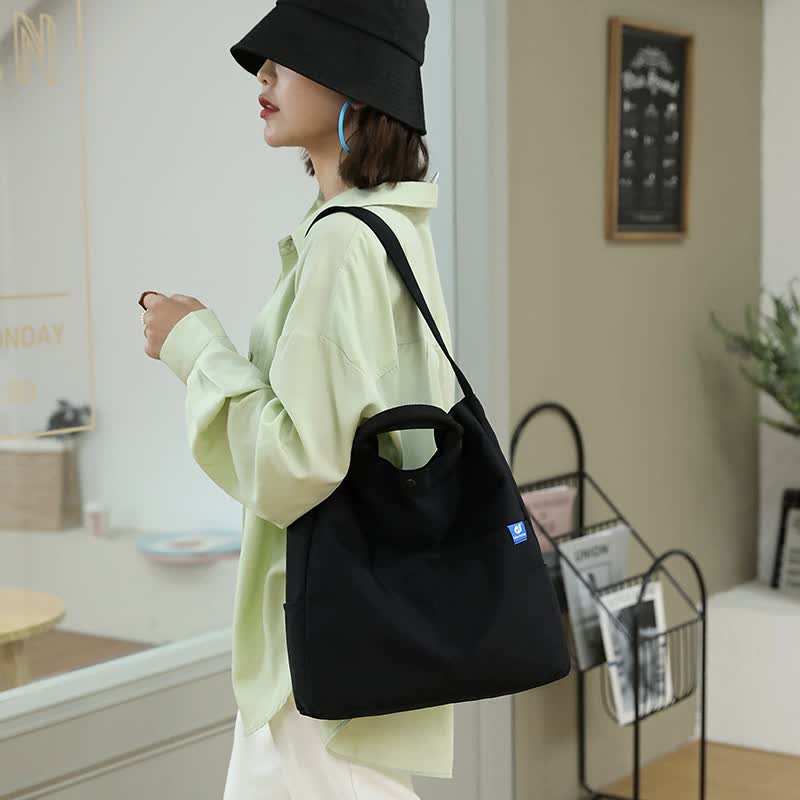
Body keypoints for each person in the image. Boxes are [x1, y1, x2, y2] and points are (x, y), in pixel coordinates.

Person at [139, 1, 456, 797]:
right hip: (360, 632)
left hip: (312, 650)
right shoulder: (395, 227)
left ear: (356, 77)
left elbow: (297, 462)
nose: (265, 73)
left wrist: (194, 347)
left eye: (291, 55)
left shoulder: (344, 243)